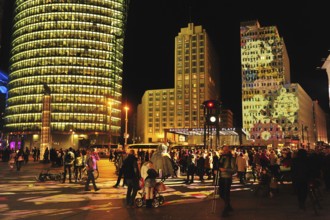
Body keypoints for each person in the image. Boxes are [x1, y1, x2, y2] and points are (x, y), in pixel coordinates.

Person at [218, 145, 237, 217]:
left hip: (227, 177)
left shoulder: (231, 158)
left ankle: (225, 211)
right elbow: (219, 166)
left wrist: (225, 170)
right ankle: (228, 206)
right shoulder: (221, 157)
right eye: (224, 150)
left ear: (229, 150)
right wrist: (216, 170)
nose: (225, 151)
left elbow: (234, 170)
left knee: (226, 194)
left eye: (226, 150)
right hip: (221, 177)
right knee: (221, 193)